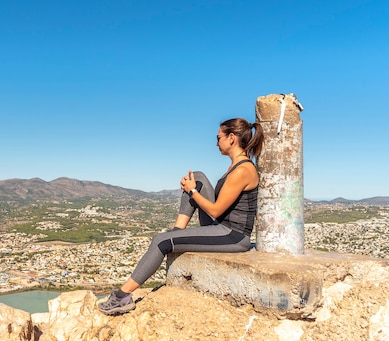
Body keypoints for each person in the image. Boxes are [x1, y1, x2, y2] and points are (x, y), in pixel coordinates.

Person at [98, 117, 264, 315]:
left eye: (218, 137)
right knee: (199, 177)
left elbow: (215, 210)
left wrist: (192, 192)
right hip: (221, 226)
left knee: (161, 241)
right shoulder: (235, 166)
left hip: (233, 235)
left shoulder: (243, 170)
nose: (216, 142)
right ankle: (178, 233)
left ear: (231, 138)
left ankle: (121, 297)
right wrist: (193, 188)